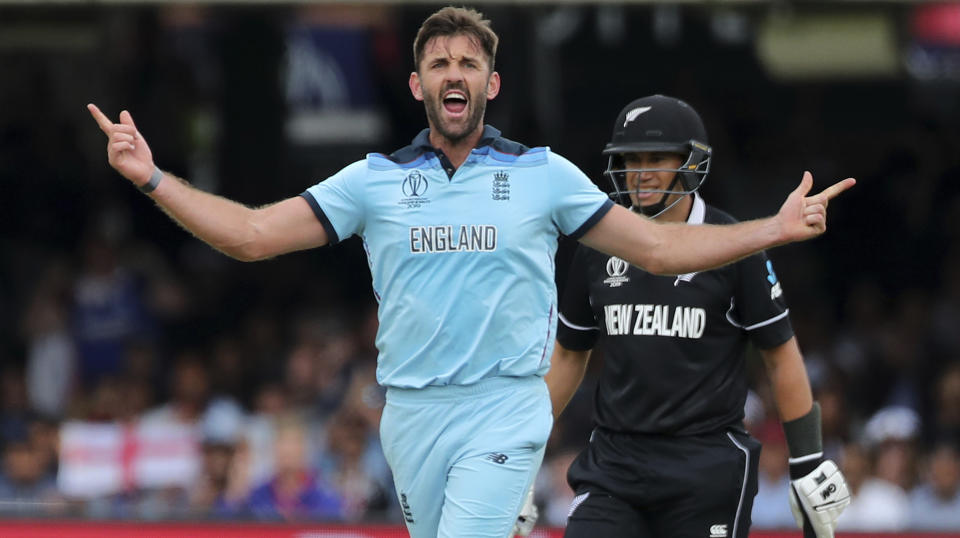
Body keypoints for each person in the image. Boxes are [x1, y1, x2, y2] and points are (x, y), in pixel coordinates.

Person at [87, 8, 853, 536]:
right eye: (438, 62)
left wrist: (773, 230)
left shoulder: (544, 175)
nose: (454, 72)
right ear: (418, 85)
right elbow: (252, 235)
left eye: (470, 62)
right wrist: (154, 178)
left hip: (504, 410)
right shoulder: (372, 181)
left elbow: (657, 250)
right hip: (411, 418)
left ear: (491, 84)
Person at [546, 95, 851, 538]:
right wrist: (520, 452)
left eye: (656, 158)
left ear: (691, 163)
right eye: (630, 159)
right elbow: (570, 355)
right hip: (615, 463)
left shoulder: (736, 246)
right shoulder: (597, 248)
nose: (640, 172)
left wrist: (807, 460)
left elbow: (780, 354)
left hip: (706, 466)